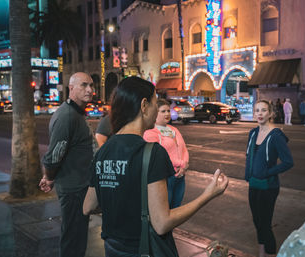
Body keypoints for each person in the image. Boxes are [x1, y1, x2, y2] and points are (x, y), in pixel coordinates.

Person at [83, 77, 229, 256]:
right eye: (154, 101)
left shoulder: (104, 151)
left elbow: (88, 206)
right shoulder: (152, 153)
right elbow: (162, 223)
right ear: (144, 105)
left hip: (112, 248)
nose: (156, 109)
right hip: (143, 249)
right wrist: (207, 196)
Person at [39, 72, 94, 257]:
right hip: (73, 190)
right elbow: (54, 155)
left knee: (77, 238)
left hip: (79, 186)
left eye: (91, 86)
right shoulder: (67, 116)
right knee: (73, 240)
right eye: (84, 85)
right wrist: (49, 176)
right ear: (71, 88)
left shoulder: (76, 113)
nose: (90, 90)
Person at [245, 100, 294, 257]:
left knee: (265, 225)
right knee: (257, 222)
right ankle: (261, 253)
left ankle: (271, 254)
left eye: (263, 110)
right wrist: (249, 174)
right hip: (253, 184)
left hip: (268, 186)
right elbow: (249, 156)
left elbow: (288, 162)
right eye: (257, 110)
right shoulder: (253, 133)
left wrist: (268, 172)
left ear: (271, 114)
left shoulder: (276, 135)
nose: (259, 113)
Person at [144, 99, 189, 209]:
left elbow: (184, 149)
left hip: (180, 176)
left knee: (176, 208)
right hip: (165, 177)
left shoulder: (174, 130)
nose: (167, 114)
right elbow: (160, 155)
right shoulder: (150, 133)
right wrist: (181, 164)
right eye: (163, 111)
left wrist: (184, 165)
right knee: (164, 211)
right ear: (155, 113)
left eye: (168, 111)